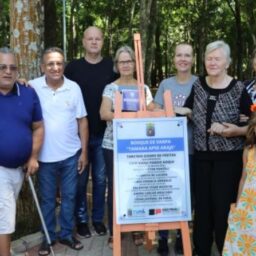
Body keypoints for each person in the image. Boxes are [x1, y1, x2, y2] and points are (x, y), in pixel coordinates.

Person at [179, 40, 252, 255]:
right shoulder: (199, 85)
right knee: (202, 210)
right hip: (201, 158)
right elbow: (189, 109)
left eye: (217, 58)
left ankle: (224, 249)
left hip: (228, 161)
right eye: (209, 58)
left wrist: (236, 131)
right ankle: (201, 250)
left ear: (227, 62)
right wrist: (171, 110)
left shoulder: (238, 89)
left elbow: (253, 124)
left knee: (222, 210)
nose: (212, 62)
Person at [29, 47, 88, 255]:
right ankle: (47, 237)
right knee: (46, 199)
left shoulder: (74, 88)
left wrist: (84, 153)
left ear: (64, 65)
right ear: (43, 66)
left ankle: (66, 234)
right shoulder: (32, 87)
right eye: (51, 64)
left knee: (70, 196)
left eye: (59, 63)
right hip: (44, 158)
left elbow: (82, 121)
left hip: (71, 155)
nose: (55, 67)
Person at [65, 26, 117, 238]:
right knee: (79, 180)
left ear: (103, 42)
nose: (94, 42)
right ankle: (82, 220)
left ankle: (97, 219)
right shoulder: (73, 68)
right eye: (90, 39)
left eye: (98, 39)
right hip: (79, 136)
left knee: (100, 180)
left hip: (105, 135)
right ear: (84, 42)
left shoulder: (111, 67)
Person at [100, 45, 154, 248]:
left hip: (138, 147)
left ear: (134, 63)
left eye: (129, 61)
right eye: (121, 61)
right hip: (113, 145)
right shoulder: (110, 88)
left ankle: (138, 228)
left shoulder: (143, 88)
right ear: (116, 65)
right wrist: (130, 117)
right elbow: (104, 113)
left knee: (137, 186)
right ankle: (116, 231)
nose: (125, 65)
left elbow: (151, 110)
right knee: (115, 187)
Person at [154, 43, 197, 256]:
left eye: (187, 55)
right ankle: (163, 238)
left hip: (191, 149)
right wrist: (178, 110)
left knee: (187, 196)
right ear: (173, 59)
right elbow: (155, 108)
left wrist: (189, 113)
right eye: (179, 55)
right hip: (167, 150)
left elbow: (202, 113)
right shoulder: (166, 84)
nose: (183, 59)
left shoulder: (199, 83)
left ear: (193, 59)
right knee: (166, 193)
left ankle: (182, 236)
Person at [0, 47, 44, 256]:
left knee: (4, 216)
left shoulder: (27, 92)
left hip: (18, 169)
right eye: (2, 67)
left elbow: (38, 127)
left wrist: (33, 156)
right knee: (5, 218)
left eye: (12, 68)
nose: (7, 72)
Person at [223, 108, 256, 255]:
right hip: (248, 209)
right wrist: (237, 205)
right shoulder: (249, 150)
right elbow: (243, 178)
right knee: (243, 243)